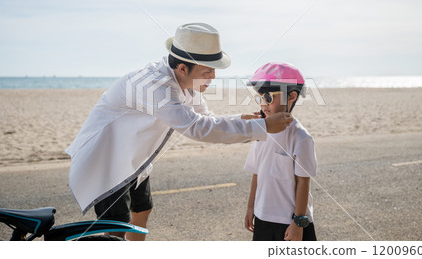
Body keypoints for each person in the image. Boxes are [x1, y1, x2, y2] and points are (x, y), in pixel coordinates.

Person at [65, 23, 293, 240]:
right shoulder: (154, 85)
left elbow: (205, 118)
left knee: (143, 209)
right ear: (183, 68)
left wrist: (243, 120)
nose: (213, 77)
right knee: (115, 226)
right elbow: (196, 128)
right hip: (107, 157)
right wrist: (261, 127)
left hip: (133, 157)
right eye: (207, 71)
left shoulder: (187, 82)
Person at [244, 62, 318, 241]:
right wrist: (251, 207)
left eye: (268, 98)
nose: (263, 105)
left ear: (291, 96)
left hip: (291, 222)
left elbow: (303, 182)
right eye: (260, 98)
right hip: (263, 218)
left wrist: (298, 222)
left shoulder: (301, 138)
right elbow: (256, 173)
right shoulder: (262, 132)